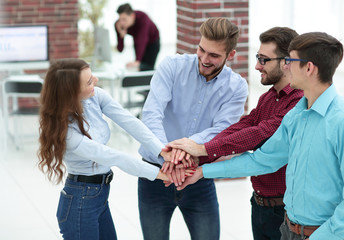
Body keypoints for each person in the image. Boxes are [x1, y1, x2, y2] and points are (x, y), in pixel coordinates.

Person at [176, 32, 344, 240]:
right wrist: (202, 171)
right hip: (288, 230)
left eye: (290, 61)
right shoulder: (295, 116)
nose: (286, 67)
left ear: (308, 68)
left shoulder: (340, 122)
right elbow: (263, 161)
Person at [37, 58, 184, 240]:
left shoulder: (95, 96)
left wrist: (163, 151)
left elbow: (130, 122)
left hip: (99, 195)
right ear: (72, 93)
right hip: (81, 201)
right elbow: (114, 157)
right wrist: (162, 174)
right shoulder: (66, 131)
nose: (96, 80)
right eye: (89, 81)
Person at [138, 17, 248, 240]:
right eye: (202, 49)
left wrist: (181, 150)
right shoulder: (172, 66)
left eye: (214, 55)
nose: (204, 59)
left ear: (231, 55)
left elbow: (223, 130)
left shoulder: (236, 87)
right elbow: (151, 114)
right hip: (155, 174)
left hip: (198, 178)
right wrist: (167, 156)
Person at [115, 3, 160, 71]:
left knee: (147, 68)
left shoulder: (142, 18)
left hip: (152, 41)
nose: (122, 23)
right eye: (120, 19)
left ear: (132, 16)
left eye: (124, 19)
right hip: (137, 41)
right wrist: (121, 36)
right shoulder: (119, 25)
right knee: (138, 68)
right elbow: (120, 49)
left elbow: (142, 40)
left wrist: (137, 61)